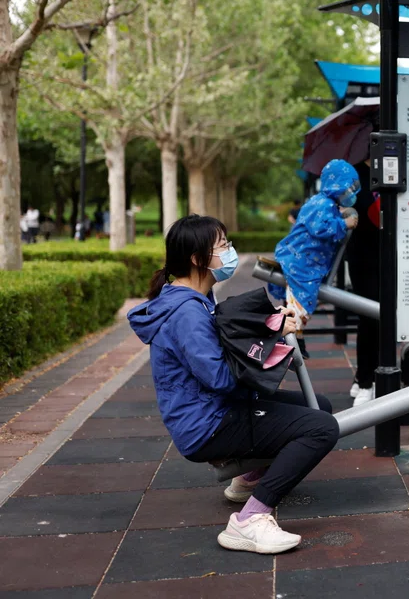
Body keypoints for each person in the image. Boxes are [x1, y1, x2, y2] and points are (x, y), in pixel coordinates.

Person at [128, 215, 339, 554]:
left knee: (320, 407)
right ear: (198, 259)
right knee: (322, 428)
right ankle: (250, 520)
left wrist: (268, 331)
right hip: (208, 423)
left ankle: (250, 477)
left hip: (214, 411)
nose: (230, 252)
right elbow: (220, 379)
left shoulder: (194, 299)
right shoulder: (187, 313)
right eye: (222, 246)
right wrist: (269, 347)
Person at [267, 160, 360, 331]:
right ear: (337, 185)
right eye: (348, 188)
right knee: (299, 307)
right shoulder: (323, 204)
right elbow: (320, 228)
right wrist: (344, 223)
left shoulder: (324, 203)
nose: (350, 193)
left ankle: (294, 340)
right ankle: (294, 341)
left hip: (303, 261)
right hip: (301, 263)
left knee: (297, 305)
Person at [344, 157, 380, 407]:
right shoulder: (354, 173)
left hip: (395, 254)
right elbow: (343, 207)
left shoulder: (401, 168)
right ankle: (366, 380)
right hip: (362, 256)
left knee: (385, 319)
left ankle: (370, 374)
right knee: (368, 316)